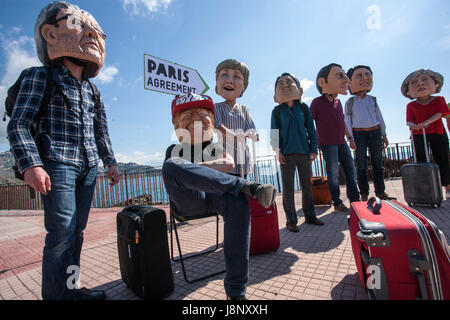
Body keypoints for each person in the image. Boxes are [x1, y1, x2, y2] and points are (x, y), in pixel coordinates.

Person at [7, 1, 120, 300]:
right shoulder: (39, 76)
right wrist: (32, 165)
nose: (92, 34)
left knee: (77, 234)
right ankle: (56, 296)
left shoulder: (93, 90)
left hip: (88, 166)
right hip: (57, 164)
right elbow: (18, 124)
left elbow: (101, 131)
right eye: (77, 23)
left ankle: (72, 290)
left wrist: (110, 162)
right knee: (60, 236)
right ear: (50, 33)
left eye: (96, 29)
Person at [162, 93, 276, 300]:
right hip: (190, 203)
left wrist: (194, 169)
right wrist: (206, 169)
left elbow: (229, 163)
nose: (196, 118)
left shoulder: (215, 147)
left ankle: (236, 293)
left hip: (216, 199)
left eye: (202, 114)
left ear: (213, 123)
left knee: (238, 201)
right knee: (171, 165)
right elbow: (180, 172)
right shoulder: (175, 150)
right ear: (177, 127)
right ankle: (245, 185)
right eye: (187, 115)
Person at [270, 72, 324, 233]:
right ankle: (291, 221)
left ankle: (310, 216)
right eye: (281, 83)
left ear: (298, 89)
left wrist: (313, 149)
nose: (285, 85)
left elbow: (311, 130)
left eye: (289, 82)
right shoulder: (277, 111)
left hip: (304, 152)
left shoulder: (304, 108)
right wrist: (277, 152)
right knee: (288, 188)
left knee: (307, 186)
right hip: (286, 154)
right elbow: (274, 133)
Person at [310, 63, 360, 213]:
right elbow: (309, 122)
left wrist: (350, 137)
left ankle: (355, 201)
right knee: (333, 174)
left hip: (342, 142)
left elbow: (343, 121)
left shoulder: (338, 103)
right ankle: (337, 202)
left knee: (351, 170)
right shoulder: (316, 103)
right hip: (327, 144)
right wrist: (314, 141)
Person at [345, 65, 396, 201]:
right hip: (358, 134)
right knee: (361, 166)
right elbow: (347, 121)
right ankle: (364, 194)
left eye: (367, 75)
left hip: (375, 132)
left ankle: (380, 192)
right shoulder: (350, 102)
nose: (365, 78)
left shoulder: (372, 99)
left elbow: (379, 117)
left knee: (378, 164)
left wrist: (384, 134)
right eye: (359, 76)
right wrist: (350, 138)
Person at [401, 69, 450, 199]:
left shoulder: (439, 100)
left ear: (436, 84)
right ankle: (425, 188)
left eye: (424, 79)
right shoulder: (411, 105)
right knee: (420, 160)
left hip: (437, 132)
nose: (420, 84)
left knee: (442, 159)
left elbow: (440, 113)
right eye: (415, 82)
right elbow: (409, 120)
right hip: (418, 134)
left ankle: (447, 187)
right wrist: (413, 125)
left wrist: (426, 122)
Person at [214, 59, 257, 178]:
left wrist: (252, 134)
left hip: (243, 159)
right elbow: (218, 125)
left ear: (243, 86)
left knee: (242, 188)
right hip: (224, 159)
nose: (229, 80)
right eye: (224, 75)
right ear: (217, 82)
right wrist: (234, 135)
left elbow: (250, 128)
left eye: (237, 76)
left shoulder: (244, 109)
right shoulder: (216, 107)